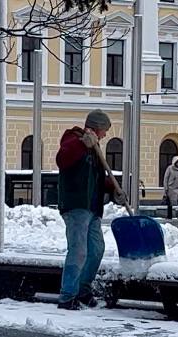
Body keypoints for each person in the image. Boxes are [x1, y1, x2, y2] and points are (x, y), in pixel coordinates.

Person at [54, 109, 129, 310]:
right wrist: (81, 145)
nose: (105, 135)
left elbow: (95, 178)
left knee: (96, 250)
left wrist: (113, 188)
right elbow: (62, 159)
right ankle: (67, 296)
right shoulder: (73, 139)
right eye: (104, 131)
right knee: (78, 251)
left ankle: (83, 290)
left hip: (92, 207)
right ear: (95, 128)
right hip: (76, 205)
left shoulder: (94, 148)